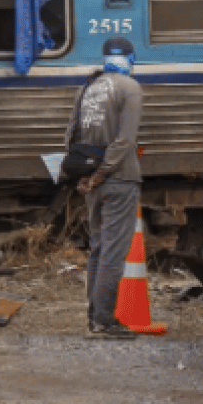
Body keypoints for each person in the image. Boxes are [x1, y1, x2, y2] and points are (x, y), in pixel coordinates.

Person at [66, 37, 143, 340]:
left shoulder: (87, 88)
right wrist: (101, 174)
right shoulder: (130, 88)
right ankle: (104, 321)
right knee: (113, 251)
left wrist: (83, 176)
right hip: (119, 179)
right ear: (131, 57)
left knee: (98, 249)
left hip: (91, 183)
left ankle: (94, 316)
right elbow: (125, 141)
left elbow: (70, 135)